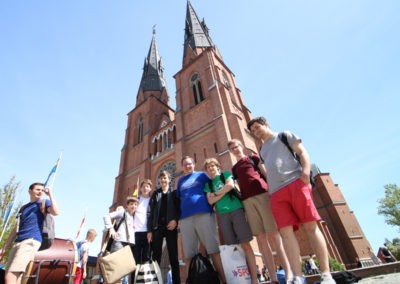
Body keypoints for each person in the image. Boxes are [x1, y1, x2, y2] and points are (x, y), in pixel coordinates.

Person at [247, 116, 336, 284]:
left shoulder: (283, 135)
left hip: (295, 183)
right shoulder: (262, 150)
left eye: (257, 127)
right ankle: (297, 276)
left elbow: (302, 152)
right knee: (286, 234)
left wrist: (305, 173)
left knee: (311, 226)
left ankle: (325, 274)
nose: (256, 132)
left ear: (266, 124)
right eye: (252, 131)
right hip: (276, 193)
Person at [228, 139, 290, 283]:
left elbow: (265, 173)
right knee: (261, 240)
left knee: (274, 236)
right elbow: (237, 184)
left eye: (236, 146)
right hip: (248, 201)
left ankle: (288, 274)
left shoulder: (253, 158)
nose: (235, 149)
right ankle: (273, 278)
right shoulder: (235, 168)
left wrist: (274, 190)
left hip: (263, 195)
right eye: (232, 148)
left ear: (241, 146)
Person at [204, 158, 258, 284]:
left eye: (213, 166)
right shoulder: (208, 185)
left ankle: (254, 279)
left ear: (217, 166)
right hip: (222, 215)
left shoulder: (225, 174)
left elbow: (230, 185)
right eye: (208, 167)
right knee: (232, 247)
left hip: (236, 209)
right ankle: (241, 279)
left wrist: (216, 194)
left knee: (245, 244)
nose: (211, 169)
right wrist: (222, 192)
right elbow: (210, 201)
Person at [176, 156, 226, 283]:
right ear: (182, 167)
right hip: (186, 218)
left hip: (204, 213)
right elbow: (179, 199)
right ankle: (191, 281)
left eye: (190, 164)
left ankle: (224, 280)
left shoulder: (202, 176)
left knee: (213, 250)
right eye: (185, 164)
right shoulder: (180, 181)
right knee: (188, 255)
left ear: (194, 164)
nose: (188, 166)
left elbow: (214, 184)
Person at [4, 182, 59, 284]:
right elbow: (16, 229)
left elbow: (56, 212)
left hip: (30, 241)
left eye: (42, 190)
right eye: (38, 189)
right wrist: (4, 248)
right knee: (15, 277)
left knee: (10, 276)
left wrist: (50, 194)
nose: (40, 192)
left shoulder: (43, 203)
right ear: (30, 191)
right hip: (18, 242)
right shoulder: (23, 208)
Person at [147, 171, 181, 284]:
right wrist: (150, 230)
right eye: (161, 178)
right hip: (158, 228)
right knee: (156, 257)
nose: (163, 180)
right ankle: (155, 281)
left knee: (174, 257)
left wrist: (175, 220)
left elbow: (179, 209)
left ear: (169, 179)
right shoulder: (156, 193)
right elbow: (150, 212)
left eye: (165, 178)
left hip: (171, 227)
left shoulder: (174, 193)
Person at [103, 196, 138, 284]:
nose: (133, 206)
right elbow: (106, 216)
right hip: (119, 243)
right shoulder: (122, 212)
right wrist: (111, 228)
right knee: (116, 270)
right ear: (127, 205)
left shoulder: (133, 216)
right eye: (131, 204)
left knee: (122, 272)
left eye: (135, 204)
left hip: (128, 245)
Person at [133, 179, 152, 264]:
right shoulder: (136, 201)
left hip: (147, 233)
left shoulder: (152, 201)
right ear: (140, 189)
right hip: (136, 233)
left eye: (147, 186)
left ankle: (144, 277)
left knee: (146, 259)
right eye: (143, 186)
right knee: (135, 259)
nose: (145, 188)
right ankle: (134, 277)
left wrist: (151, 231)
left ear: (150, 189)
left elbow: (153, 217)